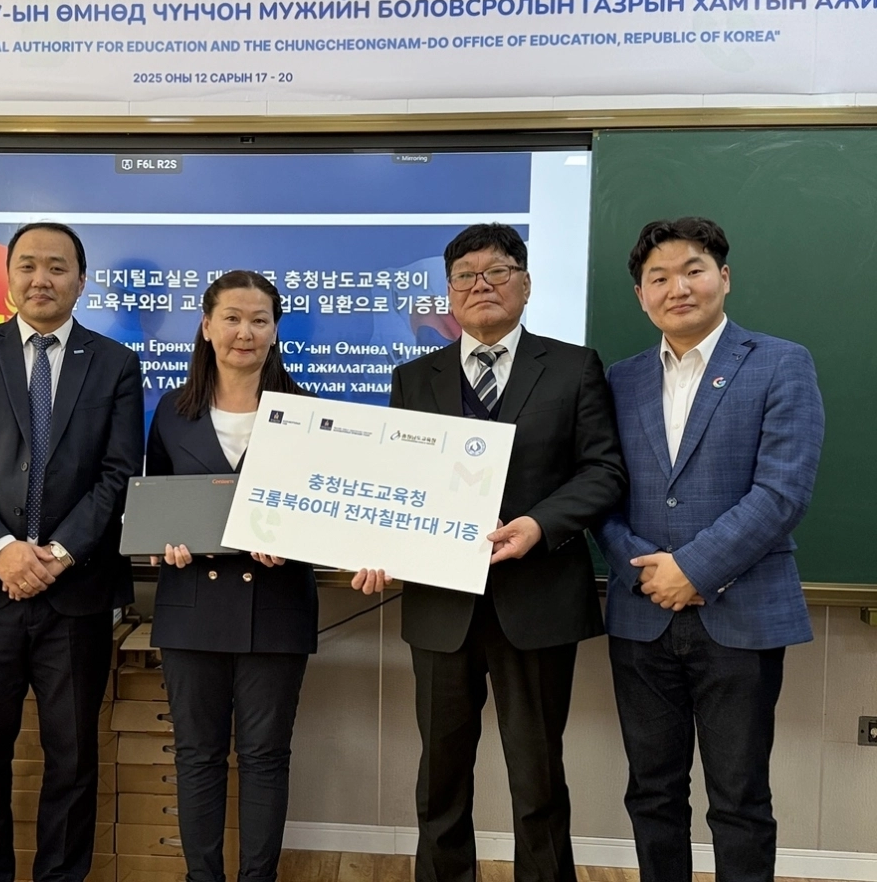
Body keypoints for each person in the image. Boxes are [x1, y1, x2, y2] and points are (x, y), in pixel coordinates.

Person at [352, 223, 626, 882]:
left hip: (537, 598)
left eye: (497, 271)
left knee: (537, 776)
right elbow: (394, 481)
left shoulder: (573, 367)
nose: (482, 285)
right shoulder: (413, 377)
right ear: (448, 292)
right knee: (440, 777)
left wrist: (539, 523)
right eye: (465, 276)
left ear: (525, 283)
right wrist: (373, 543)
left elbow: (603, 471)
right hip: (440, 604)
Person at [594, 217, 825, 882]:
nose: (678, 287)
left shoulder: (781, 362)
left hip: (741, 615)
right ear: (641, 295)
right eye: (659, 277)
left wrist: (693, 569)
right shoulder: (621, 379)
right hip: (642, 614)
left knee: (740, 799)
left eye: (693, 270)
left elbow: (783, 492)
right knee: (652, 793)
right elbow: (600, 491)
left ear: (723, 277)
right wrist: (648, 573)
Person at [0, 222, 144, 882]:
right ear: (9, 276)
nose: (40, 279)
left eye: (56, 266)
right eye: (27, 265)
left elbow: (117, 472)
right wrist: (1, 551)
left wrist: (59, 552)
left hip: (76, 591)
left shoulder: (115, 362)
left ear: (81, 280)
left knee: (73, 758)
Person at [146, 270, 318, 882]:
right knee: (197, 756)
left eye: (259, 320)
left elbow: (321, 515)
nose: (245, 332)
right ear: (206, 326)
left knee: (266, 757)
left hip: (277, 606)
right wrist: (163, 546)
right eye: (232, 318)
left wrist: (292, 545)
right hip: (191, 606)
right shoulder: (172, 411)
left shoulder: (307, 414)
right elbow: (156, 505)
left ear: (275, 330)